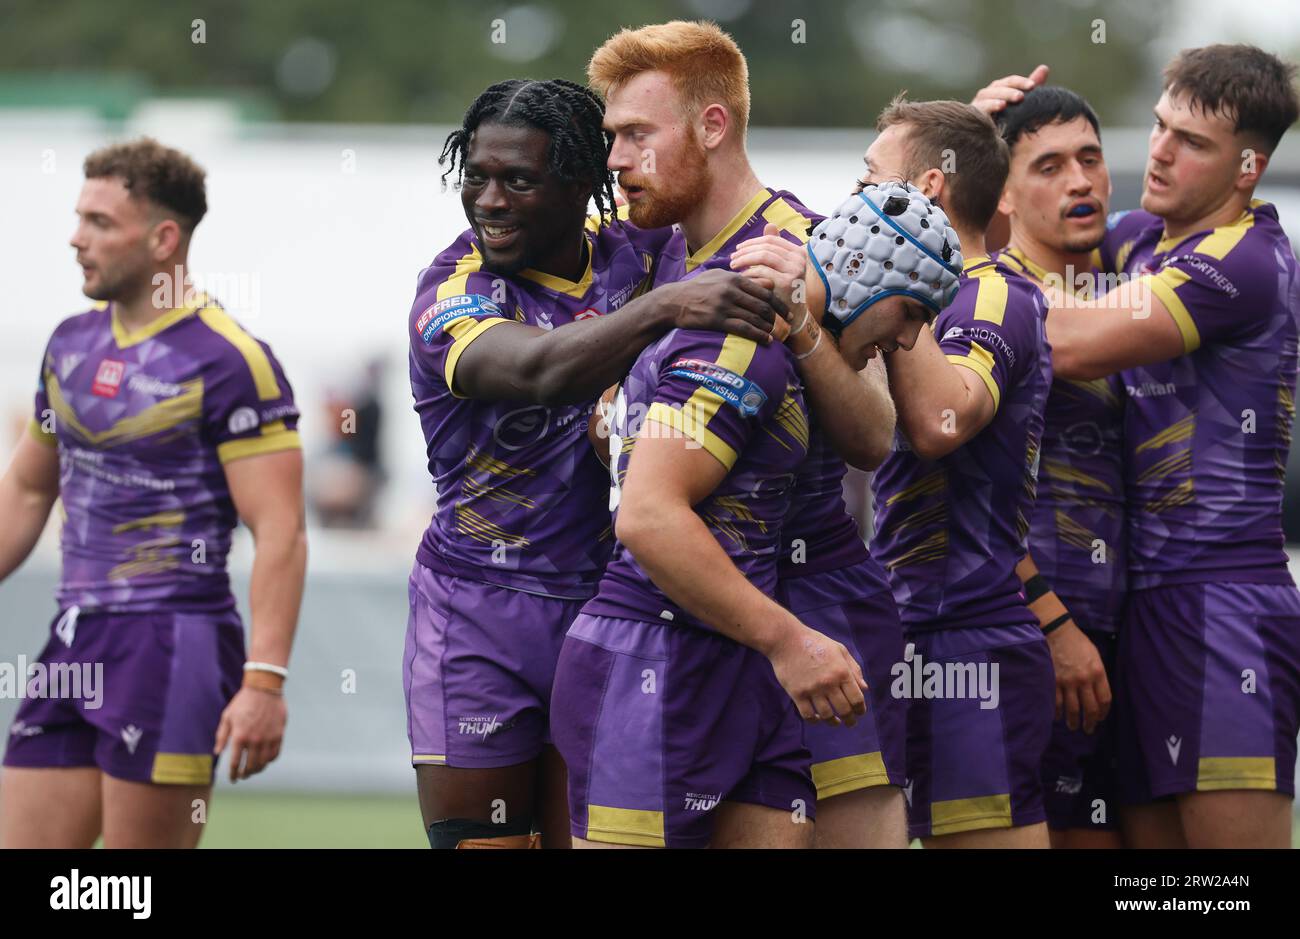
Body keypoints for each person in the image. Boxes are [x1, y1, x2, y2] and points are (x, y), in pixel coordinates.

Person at [406, 78, 789, 848]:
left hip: (614, 613)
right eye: (475, 175)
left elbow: (787, 226)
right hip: (480, 614)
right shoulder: (454, 289)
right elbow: (538, 370)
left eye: (518, 179)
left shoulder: (652, 253)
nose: (490, 199)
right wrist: (663, 309)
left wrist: (966, 141)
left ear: (584, 181)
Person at [580, 17, 913, 849]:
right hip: (697, 611)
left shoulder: (802, 244)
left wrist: (803, 328)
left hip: (811, 599)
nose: (616, 158)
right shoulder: (655, 252)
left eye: (635, 134)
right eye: (611, 135)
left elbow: (876, 434)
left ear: (713, 125)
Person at [976, 45, 1300, 848]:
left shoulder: (1244, 262)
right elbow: (1025, 229)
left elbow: (1070, 341)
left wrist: (953, 273)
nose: (1157, 151)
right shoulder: (1136, 240)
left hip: (1222, 600)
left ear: (1248, 167)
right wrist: (976, 146)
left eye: (1193, 143)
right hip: (1139, 608)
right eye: (1160, 127)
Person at [0, 138, 306, 848]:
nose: (76, 238)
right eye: (79, 217)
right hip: (74, 634)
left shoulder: (230, 361)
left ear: (164, 237)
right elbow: (23, 489)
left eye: (100, 222)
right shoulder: (69, 343)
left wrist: (264, 682)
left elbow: (281, 531)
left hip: (173, 643)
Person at [865, 98, 1056, 847]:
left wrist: (894, 283)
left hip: (971, 637)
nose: (858, 198)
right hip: (901, 625)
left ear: (931, 191)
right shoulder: (923, 290)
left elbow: (941, 424)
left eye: (872, 177)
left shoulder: (994, 293)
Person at [990, 85, 1126, 848]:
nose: (1078, 180)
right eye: (1048, 165)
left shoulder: (1119, 287)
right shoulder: (984, 301)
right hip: (1028, 637)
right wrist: (1053, 622)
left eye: (1090, 158)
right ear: (1004, 192)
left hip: (1119, 637)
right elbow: (957, 498)